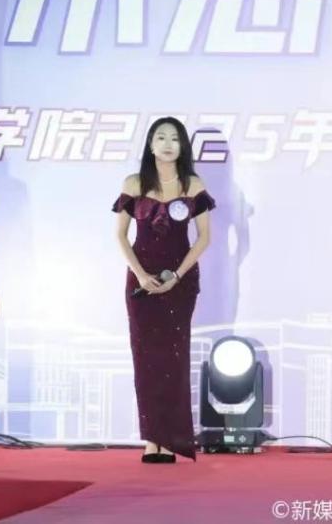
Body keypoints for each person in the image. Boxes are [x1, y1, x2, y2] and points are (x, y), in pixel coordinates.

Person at [114, 117, 214, 463]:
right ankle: (151, 440)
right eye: (161, 137)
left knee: (174, 358)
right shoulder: (134, 183)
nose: (168, 144)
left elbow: (204, 237)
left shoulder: (192, 184)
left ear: (182, 146)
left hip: (179, 282)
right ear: (150, 145)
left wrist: (178, 276)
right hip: (141, 282)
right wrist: (141, 275)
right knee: (145, 359)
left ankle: (170, 440)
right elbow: (120, 236)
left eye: (174, 138)